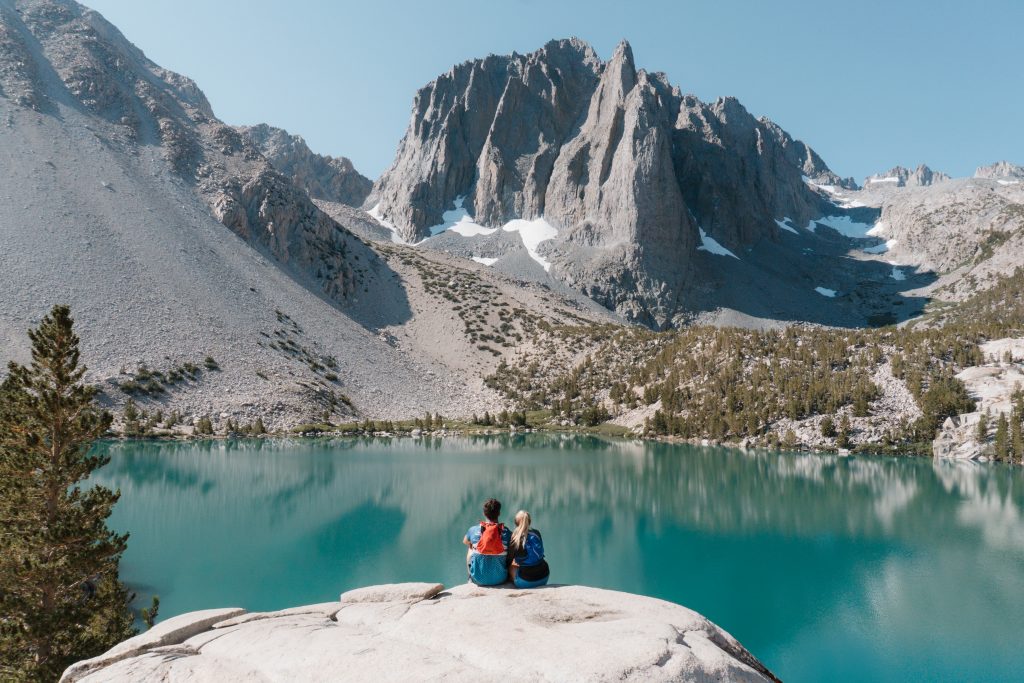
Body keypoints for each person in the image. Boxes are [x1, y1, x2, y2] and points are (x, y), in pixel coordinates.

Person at [462, 498, 512, 586]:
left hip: (478, 579)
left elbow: (465, 541)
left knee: (470, 547)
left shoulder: (473, 530)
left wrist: (476, 545)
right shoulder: (506, 532)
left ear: (484, 513)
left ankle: (470, 576)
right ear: (499, 513)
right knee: (509, 549)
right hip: (500, 579)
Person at [507, 510, 549, 588]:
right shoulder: (536, 533)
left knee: (511, 565)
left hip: (526, 582)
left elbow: (509, 559)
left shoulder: (515, 537)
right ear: (529, 522)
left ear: (516, 523)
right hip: (544, 577)